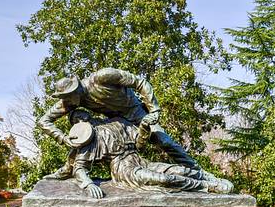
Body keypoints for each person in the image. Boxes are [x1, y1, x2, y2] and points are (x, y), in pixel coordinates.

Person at [38, 67, 197, 168]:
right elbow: (44, 121)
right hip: (117, 124)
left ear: (77, 89)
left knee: (164, 141)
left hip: (137, 113)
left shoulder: (103, 77)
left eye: (68, 96)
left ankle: (197, 171)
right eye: (65, 97)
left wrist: (153, 109)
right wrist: (63, 138)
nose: (67, 101)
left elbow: (140, 82)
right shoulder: (72, 100)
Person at [57, 110, 233, 198]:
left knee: (178, 170)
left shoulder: (118, 123)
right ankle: (208, 188)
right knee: (163, 180)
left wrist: (144, 127)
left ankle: (209, 178)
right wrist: (88, 184)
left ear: (89, 114)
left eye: (83, 115)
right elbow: (79, 167)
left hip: (139, 160)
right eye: (76, 120)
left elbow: (140, 144)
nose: (82, 120)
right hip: (124, 169)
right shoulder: (90, 140)